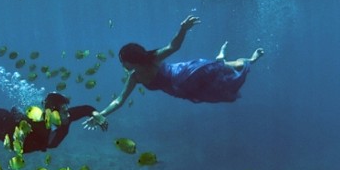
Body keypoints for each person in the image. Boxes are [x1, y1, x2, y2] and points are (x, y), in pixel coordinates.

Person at [83, 16, 263, 130]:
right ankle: (220, 58)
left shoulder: (152, 58)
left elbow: (173, 46)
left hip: (186, 73)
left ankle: (250, 60)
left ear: (131, 60)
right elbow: (119, 100)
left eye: (123, 60)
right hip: (181, 90)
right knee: (218, 84)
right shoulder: (135, 77)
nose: (121, 64)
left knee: (222, 69)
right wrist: (101, 114)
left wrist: (183, 29)